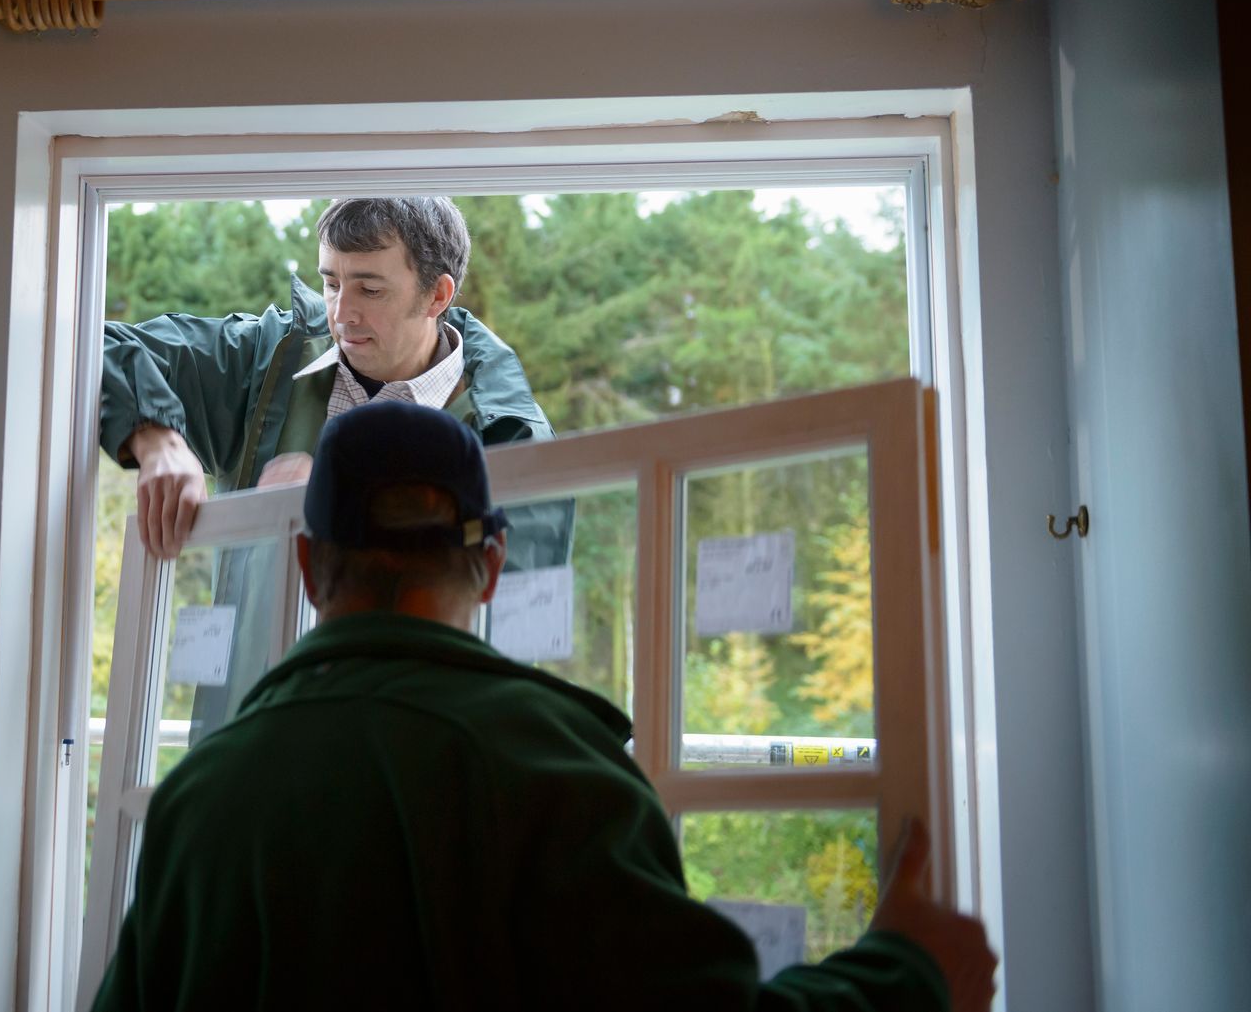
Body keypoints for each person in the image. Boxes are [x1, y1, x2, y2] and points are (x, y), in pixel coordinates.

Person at [90, 400, 998, 1012]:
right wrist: (907, 972)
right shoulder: (555, 768)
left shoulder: (197, 797)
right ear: (491, 565)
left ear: (305, 564)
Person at [100, 195, 567, 564]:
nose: (342, 314)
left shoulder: (513, 434)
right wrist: (155, 435)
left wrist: (336, 505)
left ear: (437, 296)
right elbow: (91, 341)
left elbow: (512, 617)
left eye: (370, 289)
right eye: (331, 283)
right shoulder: (263, 362)